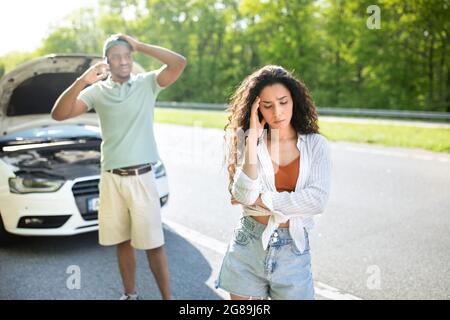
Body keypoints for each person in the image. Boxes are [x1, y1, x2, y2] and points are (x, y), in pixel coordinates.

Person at [51, 34, 186, 300]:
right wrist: (82, 81)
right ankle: (130, 295)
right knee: (122, 241)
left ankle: (168, 298)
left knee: (154, 244)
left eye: (127, 55)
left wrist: (141, 45)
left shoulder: (147, 83)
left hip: (142, 178)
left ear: (132, 58)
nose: (123, 61)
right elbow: (59, 113)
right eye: (116, 57)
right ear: (107, 62)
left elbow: (178, 63)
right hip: (111, 179)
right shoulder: (97, 92)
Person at [216, 65, 331, 300]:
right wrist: (251, 141)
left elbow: (317, 201)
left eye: (283, 102)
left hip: (293, 249)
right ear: (256, 109)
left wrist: (262, 199)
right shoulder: (249, 143)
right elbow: (245, 194)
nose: (277, 112)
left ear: (294, 101)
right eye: (267, 106)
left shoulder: (315, 145)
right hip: (248, 244)